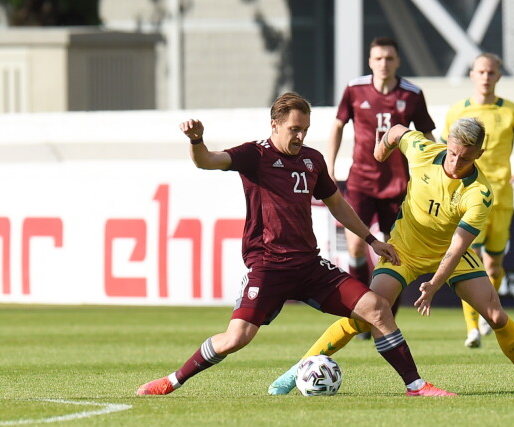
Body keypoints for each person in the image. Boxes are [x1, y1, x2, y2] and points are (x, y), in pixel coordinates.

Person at [136, 92, 453, 397]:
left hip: (309, 267)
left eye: (305, 129)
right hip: (268, 267)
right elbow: (206, 161)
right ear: (274, 125)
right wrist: (196, 140)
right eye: (294, 129)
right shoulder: (255, 155)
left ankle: (416, 386)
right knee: (237, 337)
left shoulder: (312, 161)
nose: (300, 136)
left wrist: (371, 239)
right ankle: (172, 380)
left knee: (377, 308)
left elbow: (337, 204)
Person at [268, 117, 514, 395]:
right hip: (404, 250)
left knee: (496, 316)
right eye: (452, 153)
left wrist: (434, 285)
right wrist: (381, 150)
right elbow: (397, 131)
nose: (455, 161)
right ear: (447, 144)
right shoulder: (423, 150)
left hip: (449, 255)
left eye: (465, 157)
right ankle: (295, 372)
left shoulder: (479, 193)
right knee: (364, 315)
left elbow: (456, 247)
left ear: (478, 154)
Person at [327, 37, 436, 337]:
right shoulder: (354, 89)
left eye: (389, 58)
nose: (383, 63)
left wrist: (434, 175)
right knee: (355, 245)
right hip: (361, 180)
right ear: (370, 61)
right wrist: (329, 165)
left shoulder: (412, 94)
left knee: (394, 254)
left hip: (399, 186)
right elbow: (337, 125)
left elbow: (428, 136)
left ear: (397, 61)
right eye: (378, 58)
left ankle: (383, 319)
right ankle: (360, 310)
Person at [442, 53, 514, 348]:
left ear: (498, 76)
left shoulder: (511, 111)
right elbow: (443, 152)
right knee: (468, 262)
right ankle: (472, 328)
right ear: (472, 74)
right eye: (481, 71)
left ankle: (486, 315)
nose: (485, 77)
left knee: (494, 267)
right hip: (471, 198)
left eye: (491, 72)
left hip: (502, 197)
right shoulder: (457, 112)